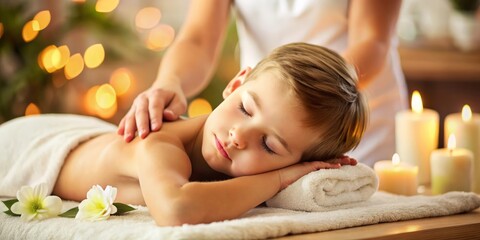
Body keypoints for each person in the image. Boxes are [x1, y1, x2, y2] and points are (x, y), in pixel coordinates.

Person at [0, 43, 367, 226]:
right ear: (236, 83)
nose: (239, 135)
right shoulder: (159, 143)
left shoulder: (227, 159)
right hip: (30, 142)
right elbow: (176, 209)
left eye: (269, 145)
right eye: (244, 108)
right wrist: (281, 176)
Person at [118, 0, 408, 167]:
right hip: (261, 116)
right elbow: (198, 39)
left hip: (346, 113)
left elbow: (373, 40)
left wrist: (320, 90)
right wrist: (170, 80)